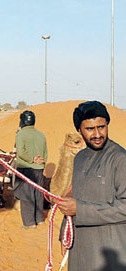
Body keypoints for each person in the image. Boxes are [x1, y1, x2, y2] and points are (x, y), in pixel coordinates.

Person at [54, 101, 126, 270]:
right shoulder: (79, 159)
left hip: (110, 253)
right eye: (90, 129)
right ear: (79, 130)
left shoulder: (119, 159)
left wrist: (80, 209)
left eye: (101, 127)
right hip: (79, 248)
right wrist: (64, 235)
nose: (97, 134)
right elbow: (73, 200)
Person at [13, 110, 48, 229]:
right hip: (39, 170)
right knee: (38, 194)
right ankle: (39, 219)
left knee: (27, 196)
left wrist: (32, 159)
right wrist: (40, 164)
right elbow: (45, 153)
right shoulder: (41, 135)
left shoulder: (21, 134)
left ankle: (29, 223)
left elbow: (21, 152)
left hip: (26, 169)